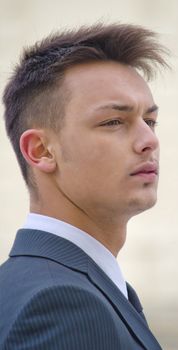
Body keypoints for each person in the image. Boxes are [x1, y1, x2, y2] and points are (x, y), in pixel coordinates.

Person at [0, 22, 168, 350]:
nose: (150, 140)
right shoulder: (63, 304)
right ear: (41, 150)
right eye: (113, 122)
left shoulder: (24, 283)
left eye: (150, 121)